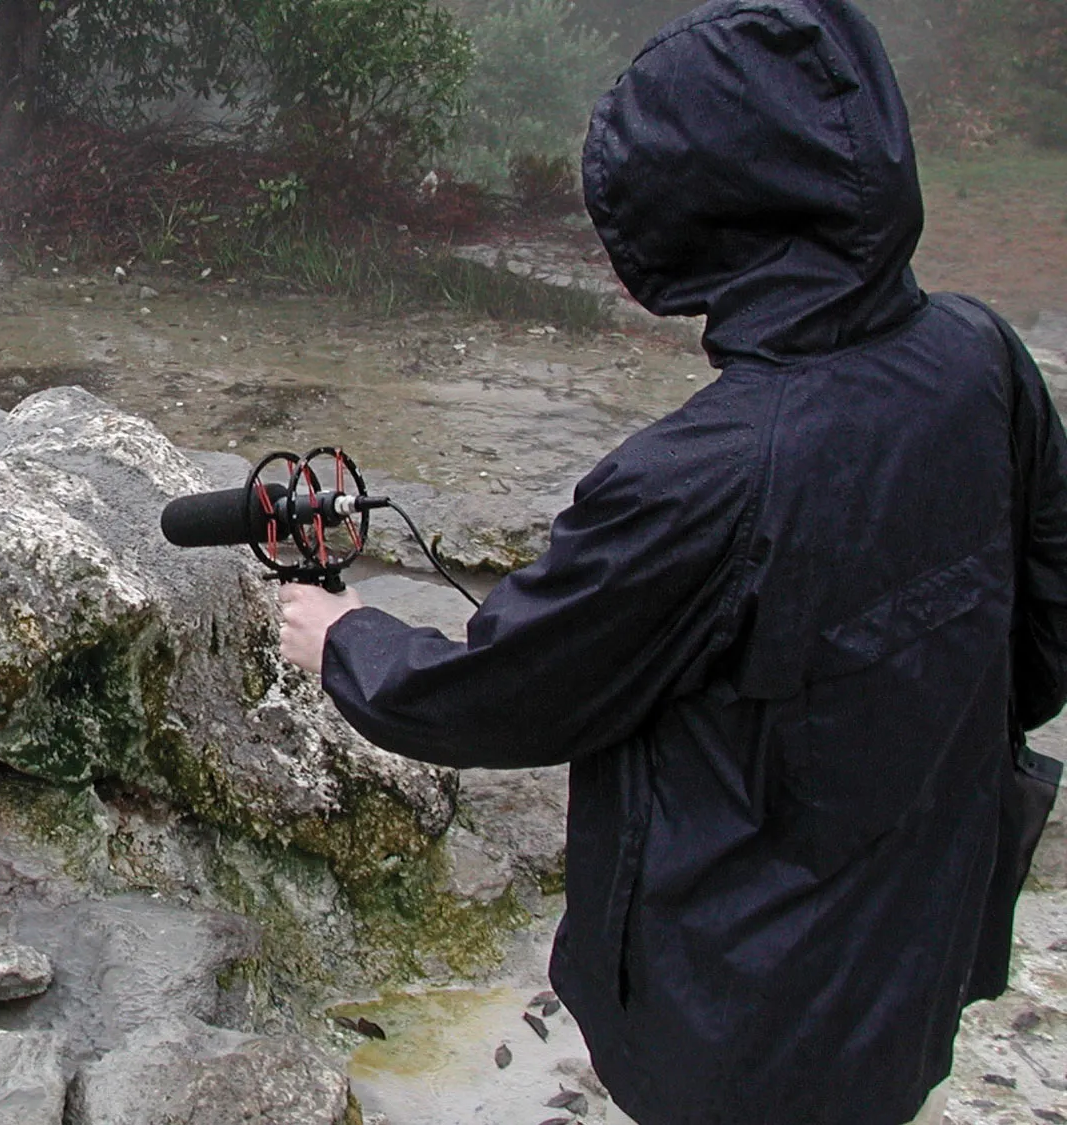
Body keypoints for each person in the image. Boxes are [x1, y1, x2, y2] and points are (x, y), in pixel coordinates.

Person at [276, 1, 1066, 1122]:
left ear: (696, 210)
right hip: (917, 944)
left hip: (735, 1015)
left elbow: (504, 694)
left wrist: (344, 638)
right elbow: (1043, 632)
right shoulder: (981, 353)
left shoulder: (703, 476)